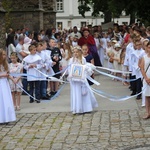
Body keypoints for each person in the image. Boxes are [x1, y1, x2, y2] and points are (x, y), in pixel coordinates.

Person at [68, 46, 98, 114]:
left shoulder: (83, 59)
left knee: (84, 93)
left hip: (81, 80)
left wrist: (84, 71)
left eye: (77, 52)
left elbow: (84, 68)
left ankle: (86, 108)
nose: (75, 53)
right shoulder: (71, 60)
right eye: (74, 52)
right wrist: (71, 75)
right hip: (75, 80)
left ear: (79, 52)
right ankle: (77, 108)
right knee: (76, 92)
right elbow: (69, 69)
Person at [0, 49, 16, 124]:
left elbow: (8, 74)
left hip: (5, 83)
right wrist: (3, 75)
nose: (4, 56)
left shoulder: (5, 64)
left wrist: (13, 79)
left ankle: (6, 117)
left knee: (6, 100)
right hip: (1, 83)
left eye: (5, 54)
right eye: (3, 54)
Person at [140, 41, 150, 119]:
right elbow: (142, 68)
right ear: (146, 48)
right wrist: (146, 78)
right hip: (146, 79)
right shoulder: (144, 57)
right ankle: (147, 112)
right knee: (147, 96)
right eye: (149, 47)